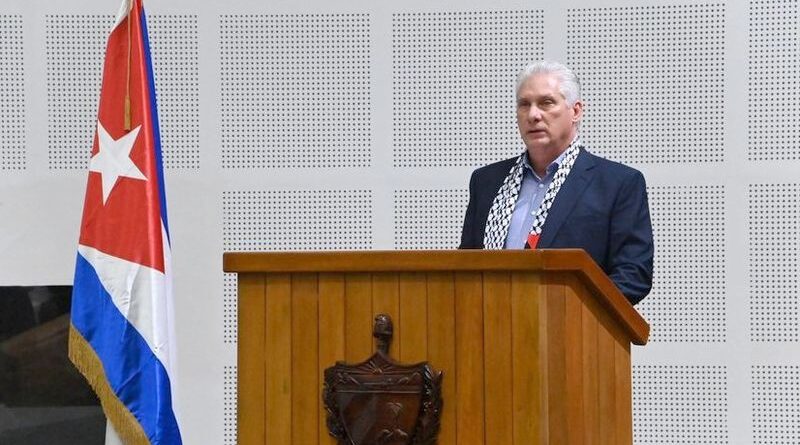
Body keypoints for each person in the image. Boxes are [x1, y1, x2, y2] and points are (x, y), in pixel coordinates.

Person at [459, 61, 654, 305]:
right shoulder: (486, 181)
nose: (533, 115)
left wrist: (565, 312)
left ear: (576, 111)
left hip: (573, 334)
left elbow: (633, 275)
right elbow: (464, 267)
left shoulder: (618, 183)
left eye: (546, 103)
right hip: (491, 330)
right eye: (524, 104)